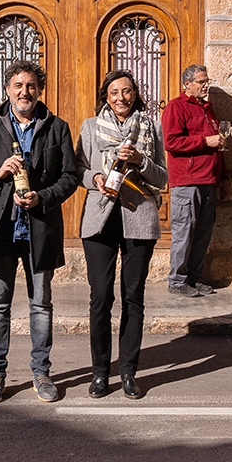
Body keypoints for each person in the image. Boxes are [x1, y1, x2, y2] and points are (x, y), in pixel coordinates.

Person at [0, 60, 78, 404]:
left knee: (41, 305)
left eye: (31, 86)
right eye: (17, 86)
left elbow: (69, 177)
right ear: (7, 90)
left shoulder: (56, 127)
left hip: (39, 229)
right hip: (0, 231)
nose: (24, 92)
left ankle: (41, 373)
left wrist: (44, 197)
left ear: (39, 91)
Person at [76, 70, 168, 399]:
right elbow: (78, 168)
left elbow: (163, 178)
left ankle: (128, 371)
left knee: (133, 298)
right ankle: (100, 373)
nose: (121, 98)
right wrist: (95, 178)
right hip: (99, 220)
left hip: (138, 217)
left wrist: (141, 161)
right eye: (114, 92)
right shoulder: (89, 127)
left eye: (127, 91)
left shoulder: (151, 126)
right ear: (106, 96)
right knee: (100, 297)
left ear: (135, 94)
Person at [161, 64, 226, 297]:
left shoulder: (208, 109)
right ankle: (177, 280)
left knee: (203, 233)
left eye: (206, 80)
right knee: (184, 232)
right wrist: (205, 141)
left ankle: (194, 277)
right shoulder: (176, 107)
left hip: (208, 180)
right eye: (201, 81)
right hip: (187, 181)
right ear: (187, 84)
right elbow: (171, 142)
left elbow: (217, 146)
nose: (206, 84)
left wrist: (222, 178)